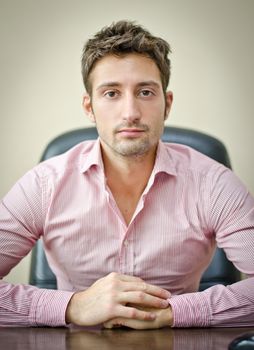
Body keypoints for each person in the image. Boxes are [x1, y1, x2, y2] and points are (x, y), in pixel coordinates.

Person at [0, 20, 253, 329]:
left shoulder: (214, 184)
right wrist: (71, 307)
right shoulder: (43, 185)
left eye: (145, 92)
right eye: (111, 94)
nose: (130, 112)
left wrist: (176, 312)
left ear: (167, 104)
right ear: (89, 107)